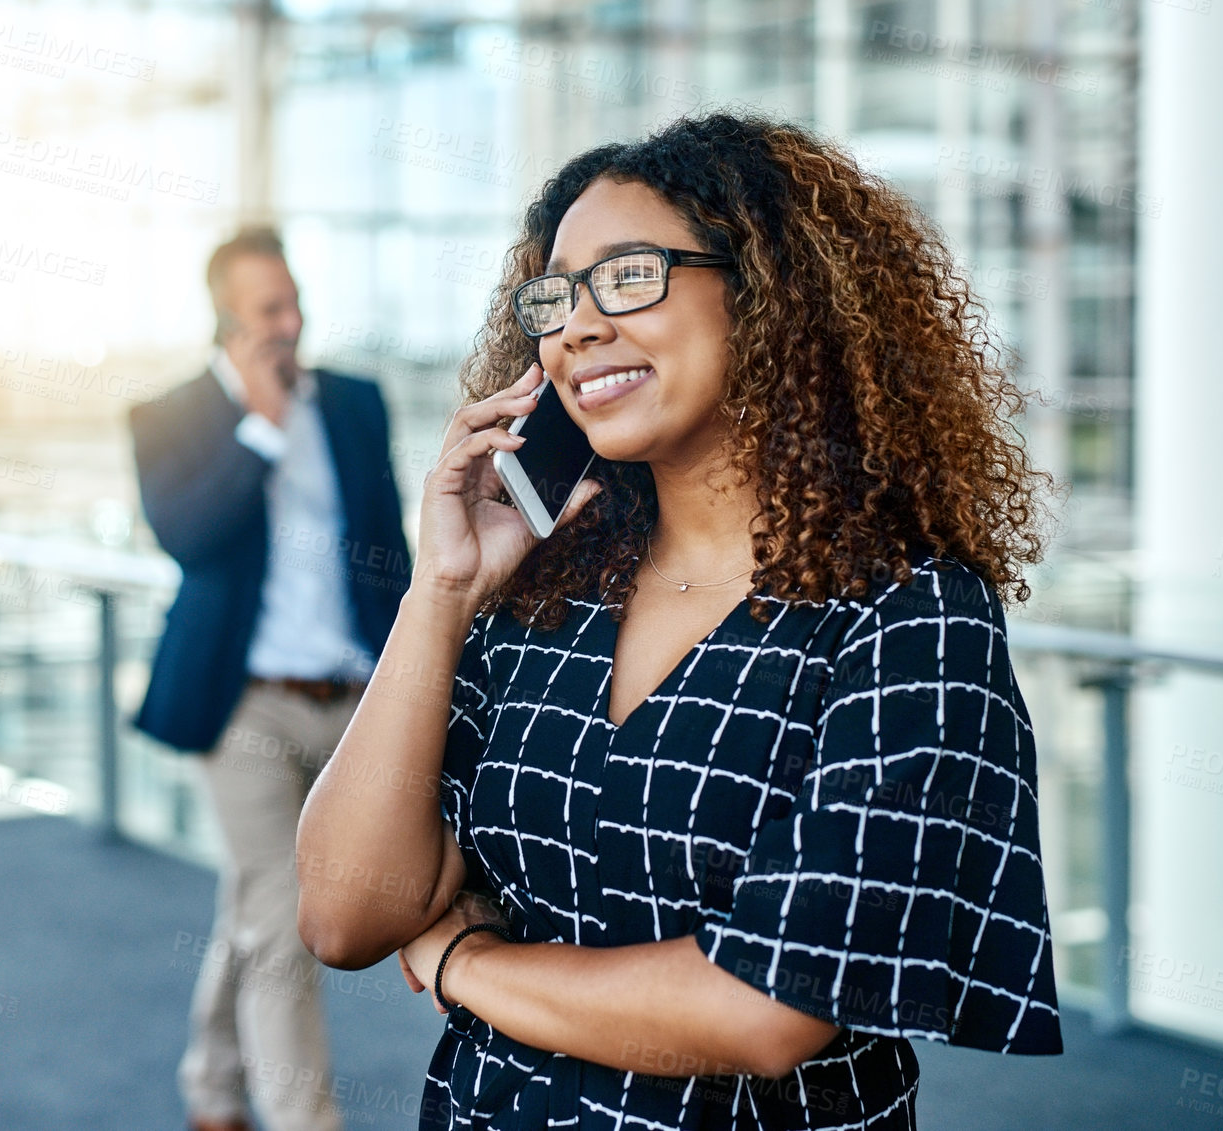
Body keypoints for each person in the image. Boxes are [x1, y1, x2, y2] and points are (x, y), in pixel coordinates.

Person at [296, 112, 1063, 1130]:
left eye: (626, 277)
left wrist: (464, 963)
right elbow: (345, 912)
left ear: (765, 294)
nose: (573, 327)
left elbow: (763, 1010)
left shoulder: (906, 614)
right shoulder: (546, 592)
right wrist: (439, 594)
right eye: (553, 296)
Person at [130, 227, 413, 1131]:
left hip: (354, 701)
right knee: (285, 926)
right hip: (245, 702)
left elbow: (392, 557)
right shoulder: (168, 415)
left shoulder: (358, 404)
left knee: (254, 908)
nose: (291, 323)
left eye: (294, 304)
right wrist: (258, 425)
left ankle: (213, 1087)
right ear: (227, 323)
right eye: (269, 311)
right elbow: (186, 535)